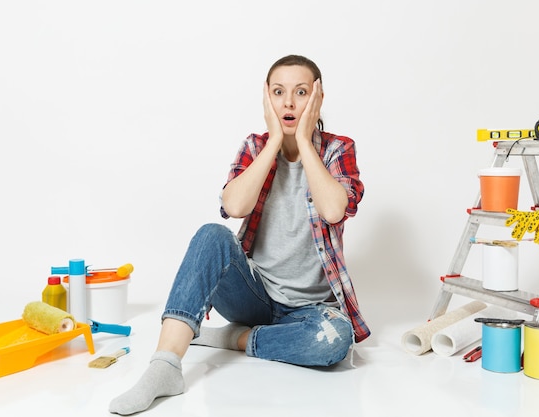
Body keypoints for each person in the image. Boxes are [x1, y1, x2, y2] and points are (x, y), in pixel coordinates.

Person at [109, 54, 369, 415]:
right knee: (211, 234)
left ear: (318, 99)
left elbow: (333, 210)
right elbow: (233, 206)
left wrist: (306, 143)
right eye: (279, 92)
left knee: (334, 343)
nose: (289, 102)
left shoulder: (339, 149)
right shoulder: (254, 146)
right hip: (255, 295)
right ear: (267, 99)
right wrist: (275, 141)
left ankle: (231, 337)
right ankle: (164, 367)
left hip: (310, 311)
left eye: (301, 92)